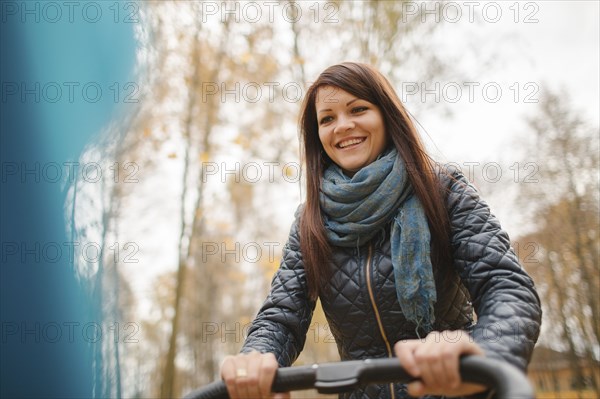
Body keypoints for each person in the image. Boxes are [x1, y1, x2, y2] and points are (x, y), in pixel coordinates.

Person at [220, 62, 541, 398]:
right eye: (327, 118)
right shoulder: (309, 222)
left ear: (387, 116)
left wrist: (485, 356)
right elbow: (281, 317)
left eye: (358, 109)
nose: (342, 126)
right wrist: (255, 360)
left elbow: (506, 287)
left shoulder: (444, 191)